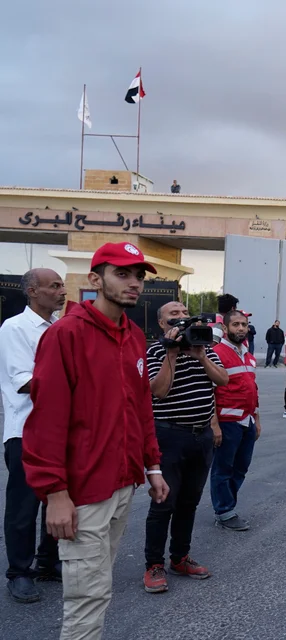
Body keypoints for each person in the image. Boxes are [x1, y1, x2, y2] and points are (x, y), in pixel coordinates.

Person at [22, 242, 169, 639]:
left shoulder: (134, 336)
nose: (134, 283)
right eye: (122, 274)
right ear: (95, 279)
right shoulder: (66, 334)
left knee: (99, 587)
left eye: (138, 276)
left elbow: (140, 407)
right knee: (86, 598)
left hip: (123, 484)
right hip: (83, 491)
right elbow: (46, 421)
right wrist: (55, 494)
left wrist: (152, 465)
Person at [142, 302, 229, 594]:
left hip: (201, 436)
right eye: (174, 315)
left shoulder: (204, 346)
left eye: (184, 313)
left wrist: (201, 356)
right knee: (163, 502)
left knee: (189, 502)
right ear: (161, 324)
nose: (181, 318)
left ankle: (179, 557)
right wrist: (171, 353)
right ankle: (154, 564)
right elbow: (159, 392)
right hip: (169, 435)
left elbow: (223, 380)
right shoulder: (155, 351)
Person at [0, 268, 65, 604]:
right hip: (26, 431)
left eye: (62, 285)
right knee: (23, 507)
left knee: (58, 500)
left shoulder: (58, 328)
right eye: (54, 286)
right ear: (32, 291)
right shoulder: (15, 328)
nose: (62, 291)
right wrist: (75, 380)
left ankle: (48, 561)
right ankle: (19, 572)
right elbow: (24, 382)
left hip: (59, 431)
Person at [210, 310, 261, 531]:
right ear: (225, 328)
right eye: (236, 324)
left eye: (244, 324)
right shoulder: (216, 354)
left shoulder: (248, 355)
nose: (241, 328)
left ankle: (227, 505)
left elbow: (253, 389)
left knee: (241, 467)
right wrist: (214, 424)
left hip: (247, 421)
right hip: (227, 421)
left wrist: (256, 419)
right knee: (223, 469)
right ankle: (224, 511)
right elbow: (210, 392)